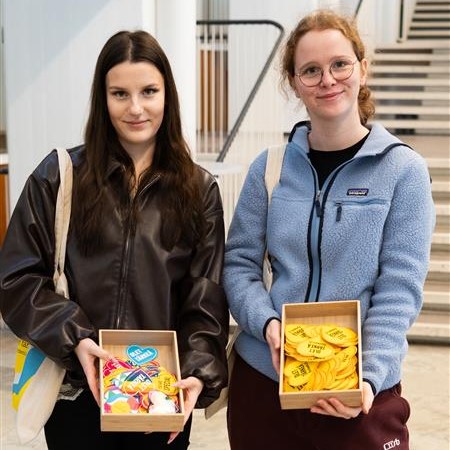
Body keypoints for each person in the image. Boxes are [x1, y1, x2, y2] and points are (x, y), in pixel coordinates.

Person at [0, 30, 229, 450]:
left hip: (160, 397)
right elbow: (17, 279)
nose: (136, 108)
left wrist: (198, 371)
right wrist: (76, 338)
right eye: (120, 94)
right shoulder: (59, 176)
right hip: (78, 393)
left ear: (167, 95)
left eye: (149, 91)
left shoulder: (199, 190)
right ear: (102, 99)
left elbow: (205, 298)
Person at [223, 9, 435, 450]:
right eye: (311, 70)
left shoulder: (403, 171)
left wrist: (368, 378)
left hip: (358, 392)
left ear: (362, 68)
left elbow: (399, 290)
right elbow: (238, 264)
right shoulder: (269, 169)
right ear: (294, 82)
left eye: (340, 64)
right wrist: (267, 324)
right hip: (266, 384)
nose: (328, 80)